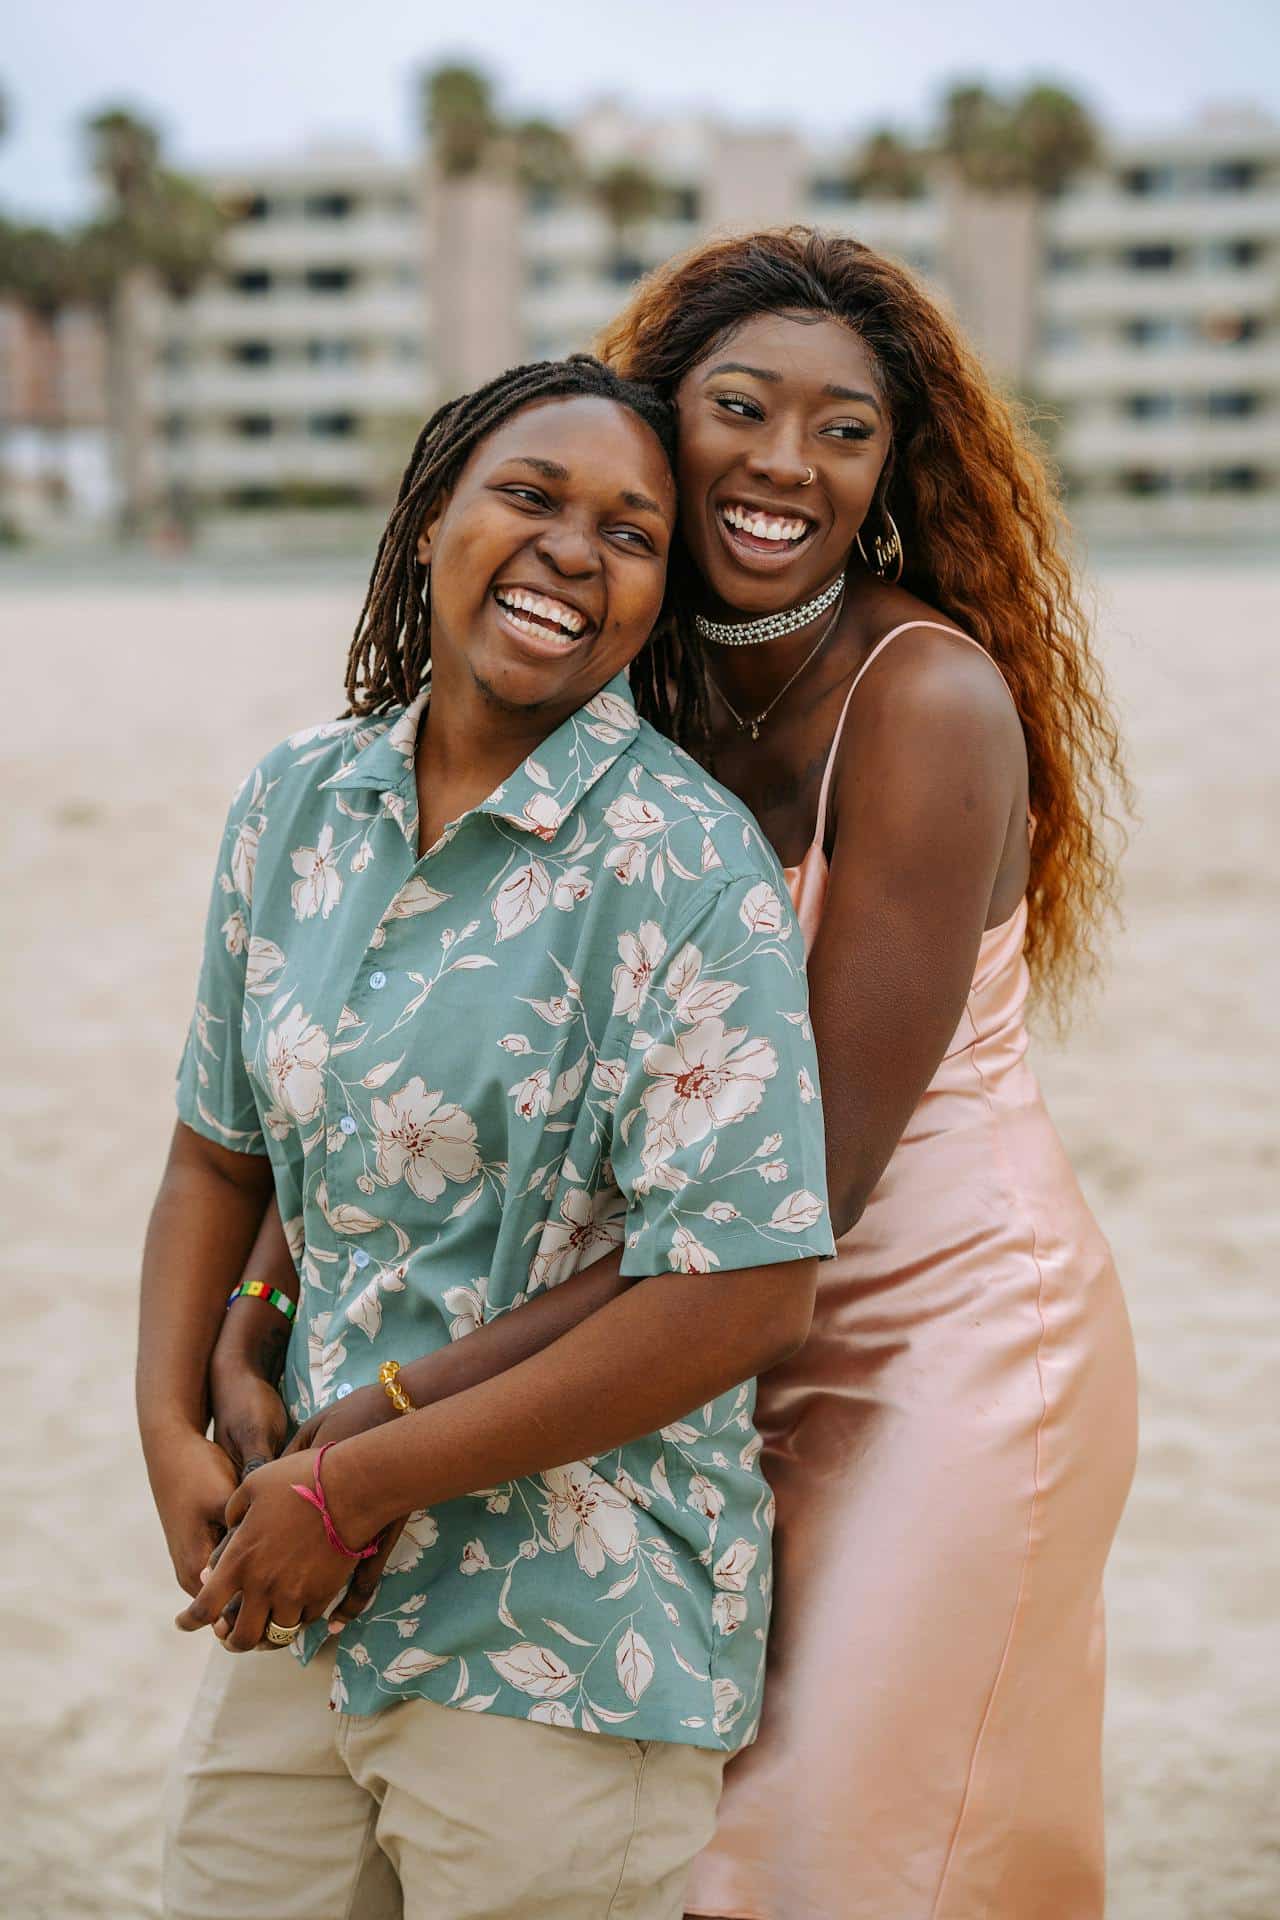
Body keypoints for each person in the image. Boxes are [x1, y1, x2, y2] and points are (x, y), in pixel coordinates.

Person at [215, 229, 1138, 1919]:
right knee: (679, 1837)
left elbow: (807, 1202)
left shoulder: (925, 701)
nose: (788, 460)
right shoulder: (629, 675)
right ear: (661, 424)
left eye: (846, 429)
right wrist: (266, 1296)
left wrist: (396, 1415)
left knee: (854, 1836)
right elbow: (403, 1031)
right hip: (663, 1342)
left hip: (923, 1327)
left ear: (894, 468)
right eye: (740, 408)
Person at [137, 354, 834, 1920]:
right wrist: (172, 1423)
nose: (574, 551)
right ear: (432, 515)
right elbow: (219, 1154)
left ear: (664, 593)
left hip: (574, 1621)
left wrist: (361, 1487)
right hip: (296, 1592)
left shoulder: (685, 865)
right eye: (530, 495)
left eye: (634, 532)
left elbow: (743, 1289)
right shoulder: (296, 804)